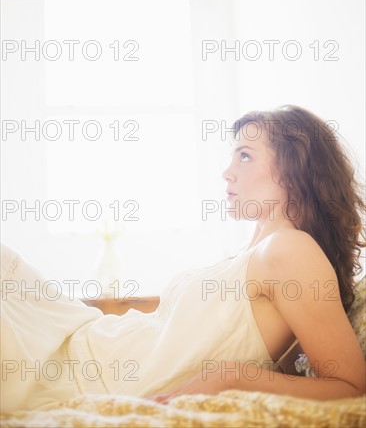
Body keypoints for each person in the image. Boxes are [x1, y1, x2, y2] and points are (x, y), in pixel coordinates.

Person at [1, 105, 365, 413]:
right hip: (83, 342)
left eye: (245, 155)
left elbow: (351, 386)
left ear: (293, 170)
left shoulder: (290, 249)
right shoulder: (259, 251)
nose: (227, 171)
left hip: (86, 373)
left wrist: (230, 377)